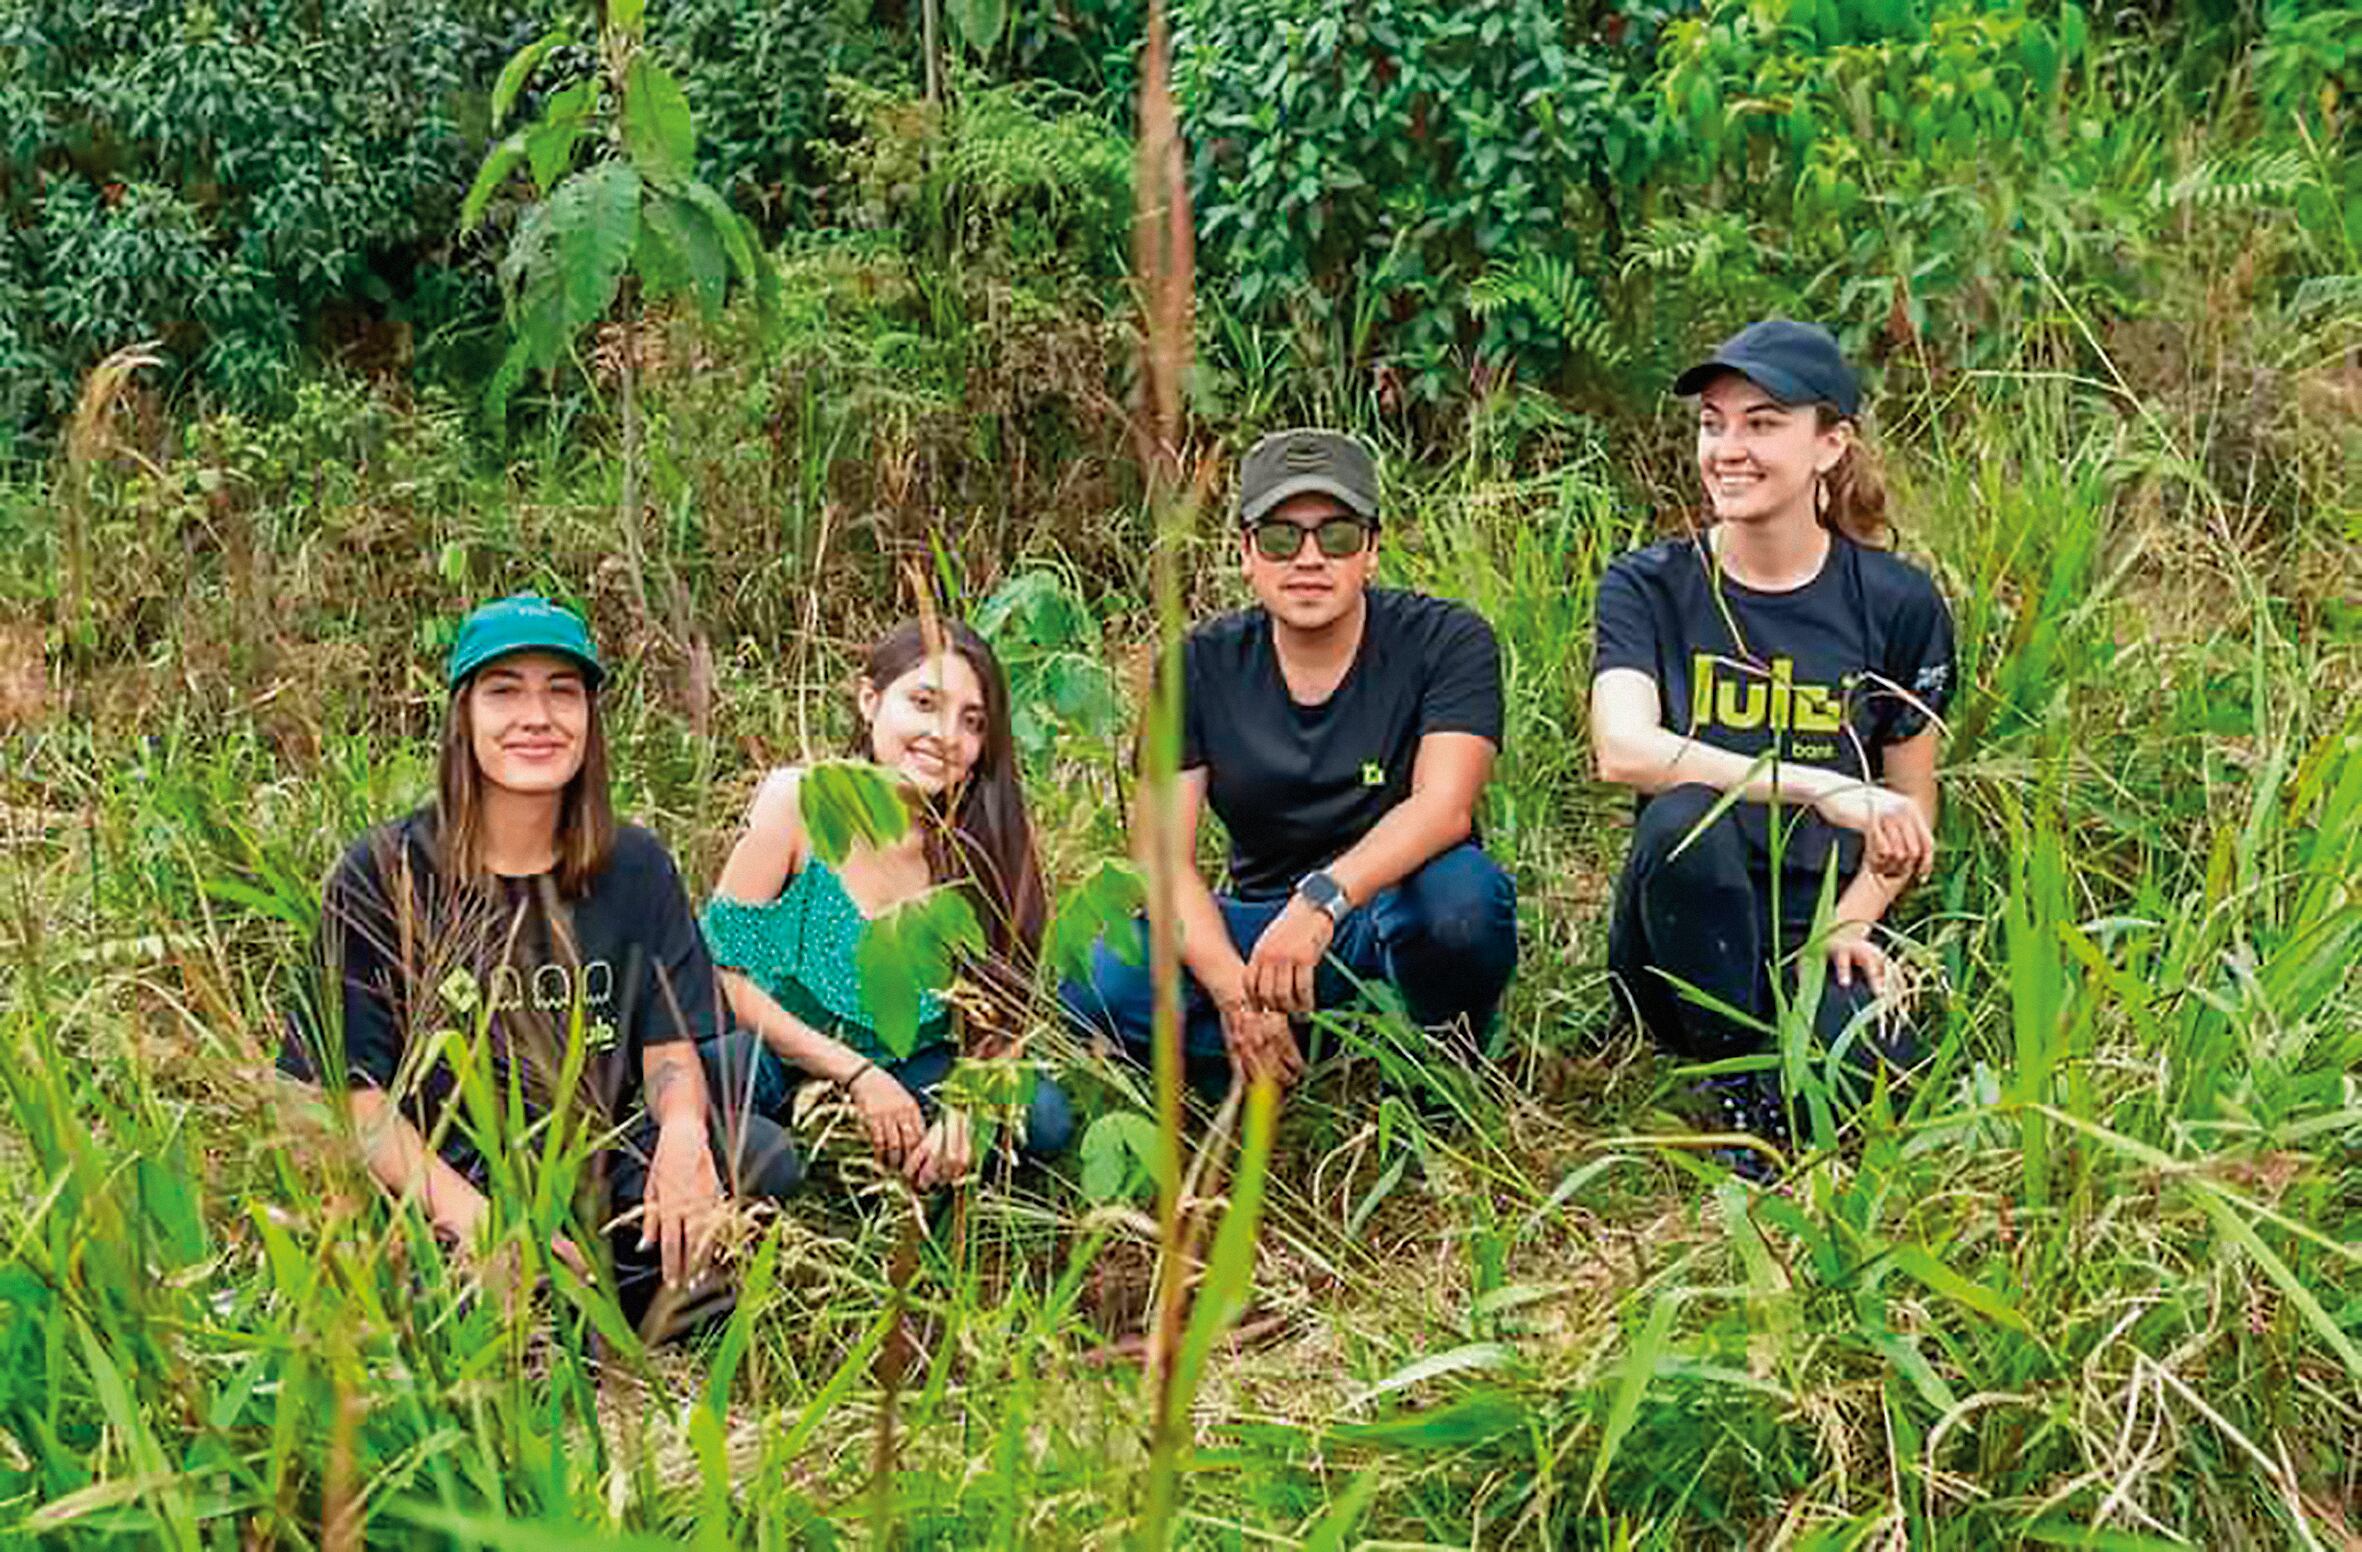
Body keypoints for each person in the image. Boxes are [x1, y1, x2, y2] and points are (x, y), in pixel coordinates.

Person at [280, 594, 799, 1332]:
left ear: (589, 718)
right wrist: (474, 1218)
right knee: (430, 1297)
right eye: (505, 691)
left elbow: (667, 1046)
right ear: (463, 717)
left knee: (760, 1158)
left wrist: (684, 1135)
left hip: (597, 1164)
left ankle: (601, 1302)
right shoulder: (386, 873)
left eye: (562, 692)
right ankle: (554, 1310)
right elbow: (349, 1100)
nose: (537, 716)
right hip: (451, 1178)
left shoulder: (636, 866)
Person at [1589, 319, 1955, 1174]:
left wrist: (1855, 916)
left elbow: (1911, 805)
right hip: (1678, 925)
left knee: (1879, 1084)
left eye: (1763, 423)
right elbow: (1624, 748)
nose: (1729, 449)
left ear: (1831, 445)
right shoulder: (1650, 585)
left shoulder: (1896, 603)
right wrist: (1818, 787)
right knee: (1685, 813)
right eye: (1714, 424)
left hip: (1820, 920)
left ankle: (1801, 1059)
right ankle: (1740, 1094)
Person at [1062, 427, 1519, 1101]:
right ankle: (1282, 1045)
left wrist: (1323, 900)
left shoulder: (1446, 641)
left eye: (1335, 536)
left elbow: (1443, 807)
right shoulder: (1197, 667)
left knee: (1463, 904)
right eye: (1281, 537)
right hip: (1256, 934)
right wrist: (1230, 989)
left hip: (1384, 916)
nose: (1309, 558)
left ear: (1370, 549)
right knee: (1101, 975)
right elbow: (1163, 859)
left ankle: (1436, 1061)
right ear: (1245, 552)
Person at [699, 618, 1075, 1190]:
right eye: (924, 703)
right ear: (870, 700)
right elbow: (721, 970)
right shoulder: (799, 800)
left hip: (913, 1061)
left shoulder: (981, 839)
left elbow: (1008, 1002)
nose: (946, 735)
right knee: (714, 1072)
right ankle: (789, 1151)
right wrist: (854, 1074)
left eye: (971, 722)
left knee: (1042, 1115)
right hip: (784, 1047)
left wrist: (969, 1105)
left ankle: (891, 1160)